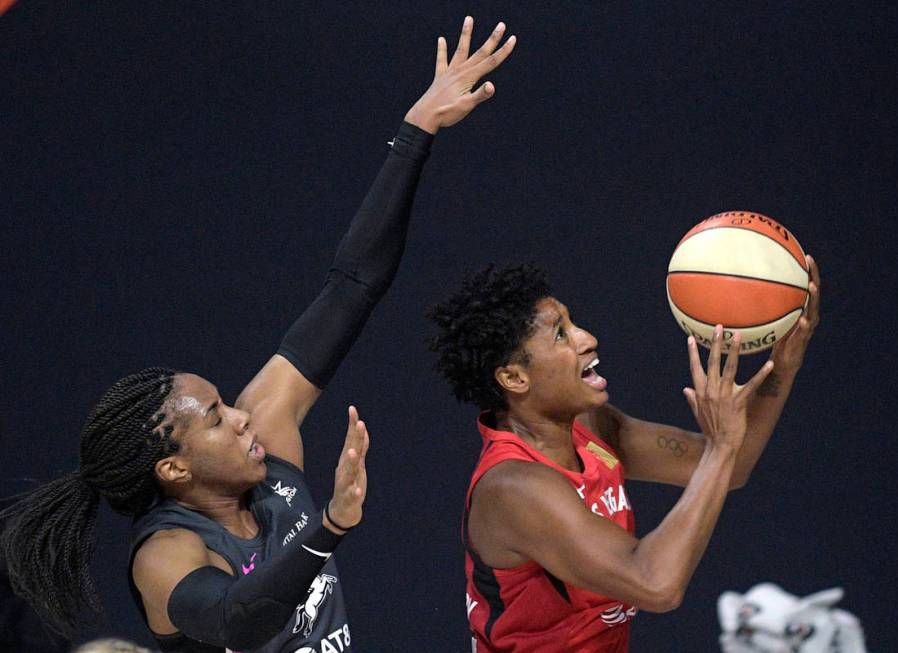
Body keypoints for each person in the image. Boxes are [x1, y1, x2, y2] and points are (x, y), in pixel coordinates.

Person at [0, 17, 516, 653]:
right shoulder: (167, 552)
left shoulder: (268, 442)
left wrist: (416, 133)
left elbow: (352, 285)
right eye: (215, 418)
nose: (242, 418)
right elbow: (235, 618)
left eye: (225, 404)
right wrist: (330, 525)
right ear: (173, 467)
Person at [428, 261, 821, 652]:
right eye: (561, 335)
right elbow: (655, 584)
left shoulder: (589, 425)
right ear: (514, 378)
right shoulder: (513, 487)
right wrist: (720, 447)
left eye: (572, 322)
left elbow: (730, 469)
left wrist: (782, 367)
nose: (587, 338)